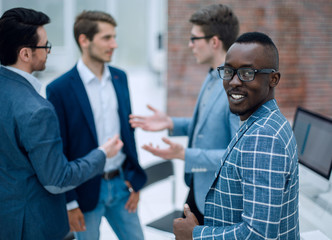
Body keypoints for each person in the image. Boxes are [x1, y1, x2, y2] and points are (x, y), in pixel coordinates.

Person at [0, 7, 123, 240]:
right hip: (33, 226)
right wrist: (102, 154)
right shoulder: (37, 109)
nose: (48, 52)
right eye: (45, 46)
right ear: (25, 54)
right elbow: (58, 180)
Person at [173, 32, 300, 240]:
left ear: (273, 79)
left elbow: (258, 233)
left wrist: (196, 234)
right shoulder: (263, 121)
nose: (233, 82)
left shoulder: (263, 137)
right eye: (229, 71)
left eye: (247, 73)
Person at [129, 4, 240, 224]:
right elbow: (209, 127)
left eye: (194, 38)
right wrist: (171, 123)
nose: (190, 45)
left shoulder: (234, 88)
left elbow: (237, 156)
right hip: (199, 187)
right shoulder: (212, 76)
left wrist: (184, 154)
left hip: (219, 198)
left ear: (214, 42)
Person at [46, 10, 147, 240]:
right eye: (107, 38)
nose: (114, 44)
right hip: (84, 192)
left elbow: (127, 133)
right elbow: (59, 151)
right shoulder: (59, 89)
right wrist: (70, 202)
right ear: (84, 40)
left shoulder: (121, 78)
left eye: (114, 37)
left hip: (122, 185)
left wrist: (135, 180)